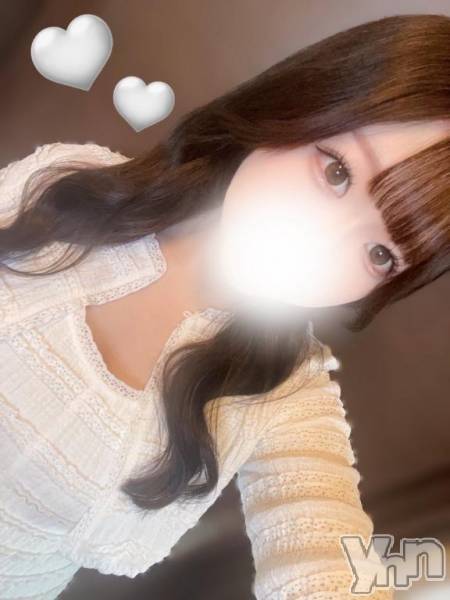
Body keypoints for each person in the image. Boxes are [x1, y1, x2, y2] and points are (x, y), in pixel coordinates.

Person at [1, 13, 449, 600]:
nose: (324, 243)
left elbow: (320, 559)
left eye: (380, 254)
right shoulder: (67, 181)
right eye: (336, 171)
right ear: (296, 108)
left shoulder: (286, 395)